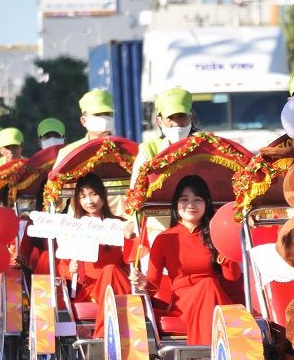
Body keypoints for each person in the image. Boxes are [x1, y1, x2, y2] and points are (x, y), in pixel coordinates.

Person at [133, 175, 241, 345]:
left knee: (209, 285)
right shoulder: (165, 238)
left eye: (197, 199)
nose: (191, 205)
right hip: (183, 303)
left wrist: (227, 254)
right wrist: (142, 282)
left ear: (206, 203)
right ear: (176, 204)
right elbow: (153, 284)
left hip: (213, 296)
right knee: (208, 285)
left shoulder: (215, 234)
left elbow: (232, 277)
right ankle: (212, 351)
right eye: (184, 199)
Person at [56, 173, 133, 337]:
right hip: (90, 289)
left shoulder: (119, 225)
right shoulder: (74, 227)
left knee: (111, 270)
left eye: (94, 194)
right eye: (83, 196)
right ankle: (105, 336)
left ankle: (103, 335)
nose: (89, 201)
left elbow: (132, 262)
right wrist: (70, 269)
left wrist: (130, 236)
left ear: (103, 195)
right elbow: (62, 266)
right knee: (110, 270)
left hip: (117, 283)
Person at [130, 87, 200, 186]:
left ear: (191, 118)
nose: (176, 123)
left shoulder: (204, 146)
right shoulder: (149, 150)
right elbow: (135, 190)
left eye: (181, 116)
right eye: (170, 118)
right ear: (159, 121)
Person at [52, 89, 116, 169]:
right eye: (97, 114)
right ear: (84, 121)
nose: (104, 118)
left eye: (108, 114)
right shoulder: (69, 153)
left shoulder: (125, 149)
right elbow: (55, 180)